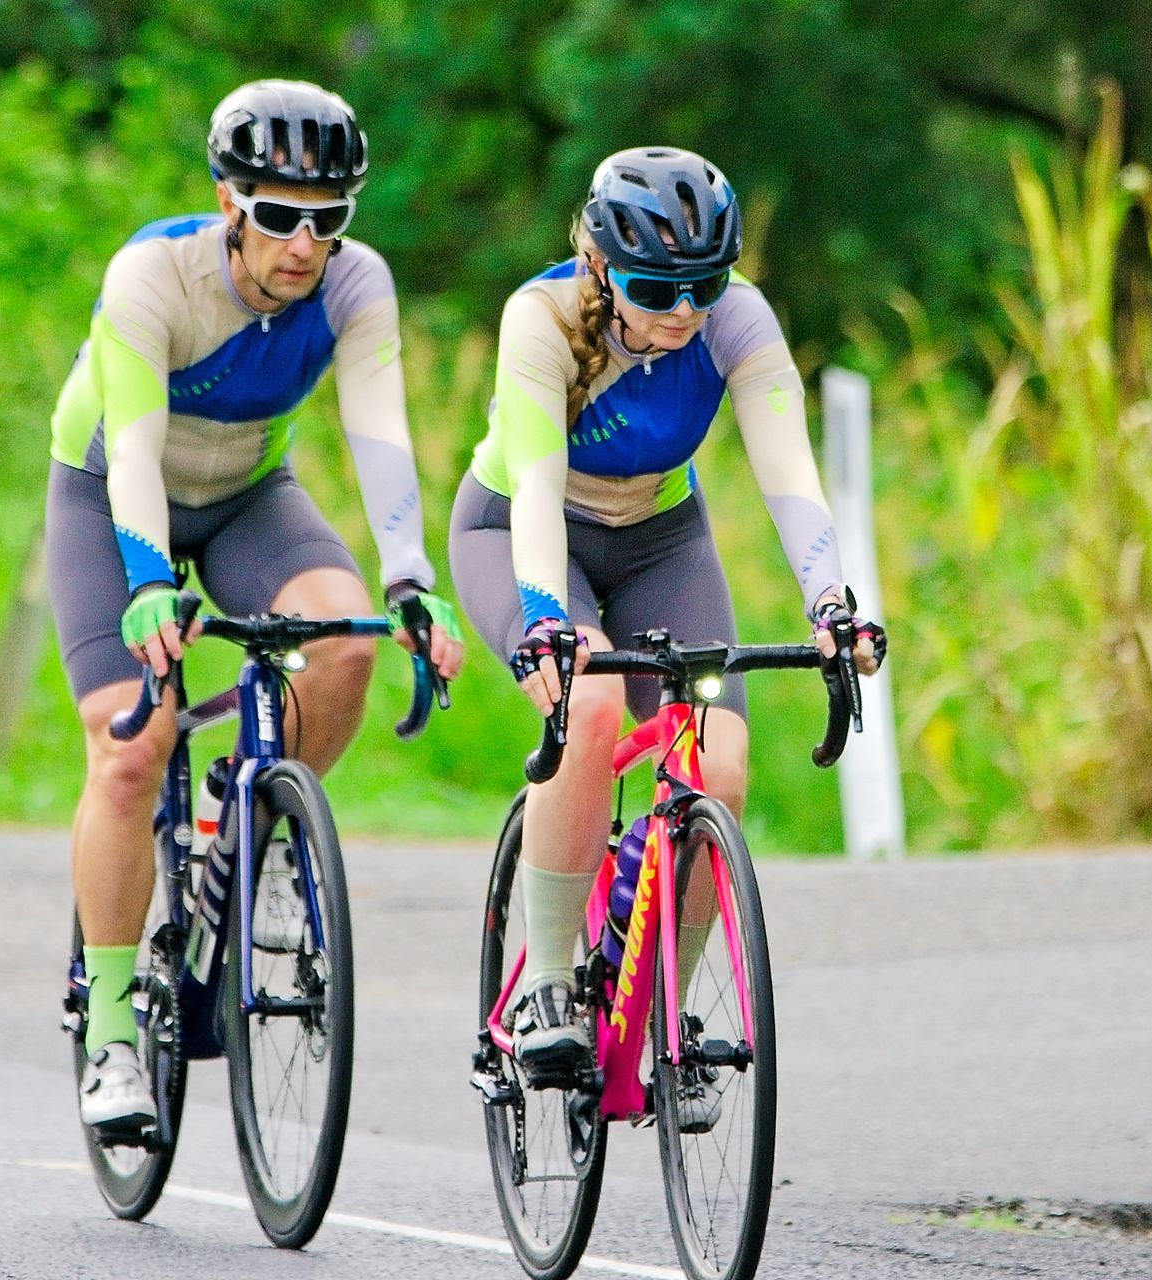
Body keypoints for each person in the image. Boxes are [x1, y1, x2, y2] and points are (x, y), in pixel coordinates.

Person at [48, 79, 465, 1132]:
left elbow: (380, 434)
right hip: (112, 495)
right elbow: (132, 448)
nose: (304, 243)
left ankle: (251, 827)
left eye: (329, 219)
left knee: (344, 643)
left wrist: (411, 580)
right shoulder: (154, 275)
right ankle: (110, 1033)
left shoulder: (356, 284)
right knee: (130, 746)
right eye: (279, 215)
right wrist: (149, 583)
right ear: (228, 202)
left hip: (247, 497)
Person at [448, 146, 885, 1103]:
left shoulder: (739, 320)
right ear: (601, 266)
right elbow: (534, 487)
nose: (685, 311)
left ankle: (665, 1018)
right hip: (522, 531)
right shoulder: (541, 319)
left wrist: (830, 601)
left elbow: (788, 471)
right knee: (592, 710)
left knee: (718, 766)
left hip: (659, 541)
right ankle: (549, 984)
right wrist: (547, 621)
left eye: (706, 286)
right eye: (656, 289)